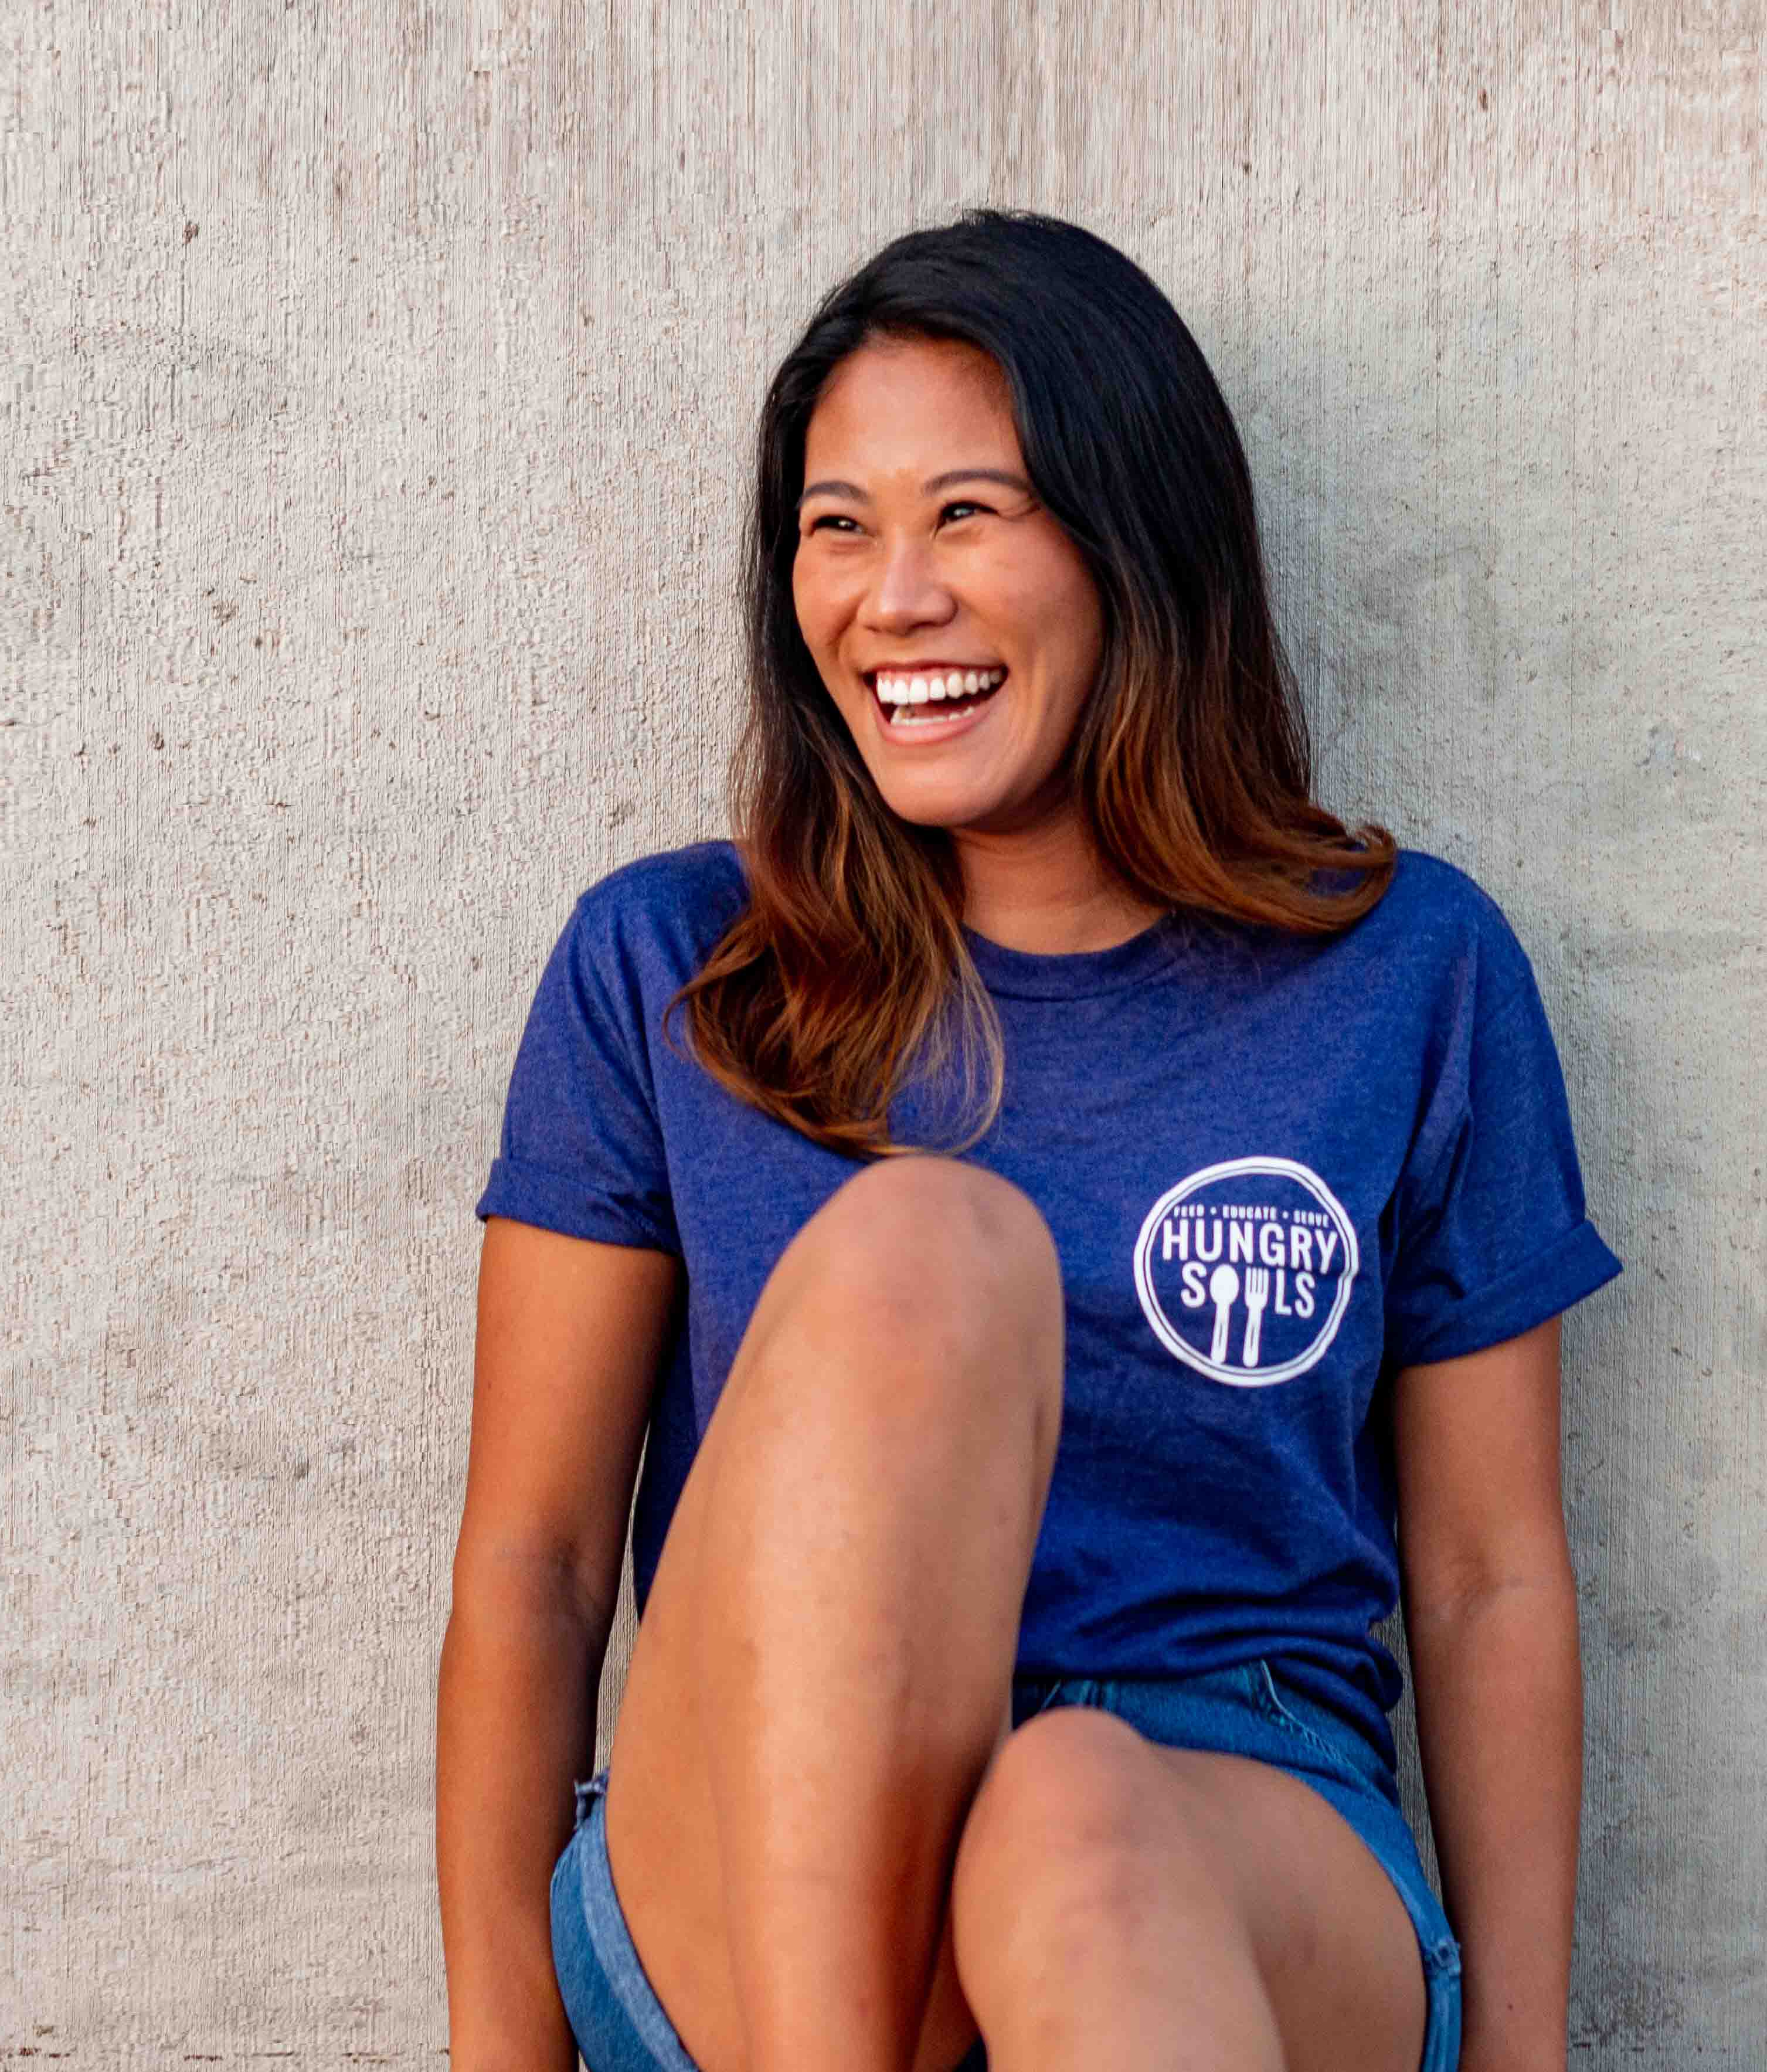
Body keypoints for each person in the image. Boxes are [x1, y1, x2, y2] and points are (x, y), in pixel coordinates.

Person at [435, 210, 1620, 2072]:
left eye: (968, 515)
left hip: (1232, 1820)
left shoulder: (1412, 973)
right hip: (764, 1841)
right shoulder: (669, 967)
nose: (891, 598)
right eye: (839, 527)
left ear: (1139, 543)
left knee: (1076, 1810)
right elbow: (539, 1563)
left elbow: (1487, 1575)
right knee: (928, 1251)